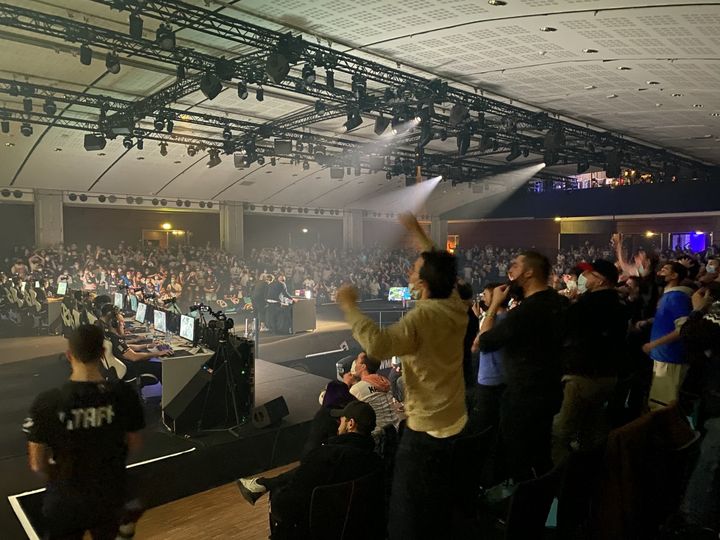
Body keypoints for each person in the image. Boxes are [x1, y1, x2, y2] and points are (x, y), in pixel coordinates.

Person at [336, 213, 468, 540]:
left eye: (413, 267)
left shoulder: (422, 316)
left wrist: (349, 306)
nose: (409, 269)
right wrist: (418, 232)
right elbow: (441, 264)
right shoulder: (454, 302)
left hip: (426, 430)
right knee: (439, 501)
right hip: (456, 419)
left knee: (406, 513)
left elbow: (378, 343)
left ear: (422, 282)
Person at [22, 324, 145, 539]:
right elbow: (134, 443)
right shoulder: (124, 395)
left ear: (69, 355)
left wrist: (64, 477)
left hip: (65, 500)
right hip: (110, 495)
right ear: (102, 353)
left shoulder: (48, 401)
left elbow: (37, 464)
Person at [477, 251, 568, 482]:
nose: (510, 271)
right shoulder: (560, 302)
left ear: (529, 272)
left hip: (523, 396)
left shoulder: (525, 313)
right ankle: (545, 504)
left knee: (520, 459)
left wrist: (495, 304)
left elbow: (484, 342)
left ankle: (522, 510)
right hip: (550, 391)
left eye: (515, 266)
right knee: (541, 454)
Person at [237, 401, 382, 539]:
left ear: (351, 424)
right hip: (355, 528)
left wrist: (276, 497)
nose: (339, 425)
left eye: (342, 420)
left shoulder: (325, 456)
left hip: (317, 528)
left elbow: (287, 505)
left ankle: (264, 485)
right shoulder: (375, 459)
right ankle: (263, 484)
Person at [552, 259, 629, 464]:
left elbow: (563, 328)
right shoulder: (619, 302)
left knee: (561, 432)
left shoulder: (589, 304)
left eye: (589, 274)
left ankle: (562, 482)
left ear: (601, 280)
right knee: (590, 428)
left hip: (583, 375)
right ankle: (591, 474)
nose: (583, 278)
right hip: (608, 374)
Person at [642, 262, 693, 409]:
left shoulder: (677, 297)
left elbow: (682, 329)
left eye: (664, 270)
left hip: (670, 357)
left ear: (674, 275)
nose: (659, 273)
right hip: (662, 356)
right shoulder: (668, 296)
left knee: (662, 406)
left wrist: (653, 344)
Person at [471, 282, 508, 432]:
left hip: (491, 380)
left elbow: (477, 345)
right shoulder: (506, 317)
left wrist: (478, 319)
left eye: (485, 295)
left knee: (486, 425)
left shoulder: (497, 320)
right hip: (500, 377)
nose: (482, 298)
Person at [100, 304, 167, 383]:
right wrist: (158, 353)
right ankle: (170, 394)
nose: (124, 326)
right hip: (129, 372)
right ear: (115, 324)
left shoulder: (109, 336)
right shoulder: (115, 339)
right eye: (122, 323)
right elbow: (134, 357)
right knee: (160, 366)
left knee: (146, 356)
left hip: (124, 367)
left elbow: (126, 347)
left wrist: (147, 345)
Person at [344, 352, 399, 434]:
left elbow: (344, 410)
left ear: (363, 366)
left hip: (377, 437)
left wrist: (345, 384)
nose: (354, 364)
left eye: (357, 361)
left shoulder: (357, 389)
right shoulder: (385, 382)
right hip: (396, 432)